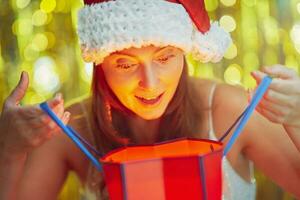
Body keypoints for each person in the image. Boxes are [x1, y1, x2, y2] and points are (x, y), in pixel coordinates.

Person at [0, 0, 300, 199]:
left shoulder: (233, 110)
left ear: (184, 52)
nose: (150, 83)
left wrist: (298, 121)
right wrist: (9, 151)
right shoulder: (68, 128)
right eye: (125, 64)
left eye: (165, 57)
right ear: (99, 63)